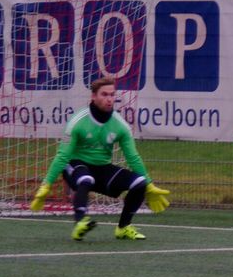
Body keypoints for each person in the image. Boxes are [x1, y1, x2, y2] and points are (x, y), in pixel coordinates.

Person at [29, 77, 171, 241]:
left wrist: (149, 184)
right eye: (104, 94)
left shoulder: (120, 125)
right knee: (85, 178)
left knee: (139, 182)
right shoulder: (78, 121)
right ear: (93, 96)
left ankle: (123, 228)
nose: (109, 99)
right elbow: (63, 156)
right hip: (75, 165)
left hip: (102, 169)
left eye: (112, 95)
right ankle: (80, 223)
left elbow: (133, 157)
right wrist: (46, 185)